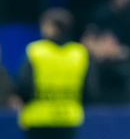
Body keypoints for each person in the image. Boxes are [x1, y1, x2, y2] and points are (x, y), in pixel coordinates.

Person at [16, 8, 96, 139]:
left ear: (53, 27)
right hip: (69, 118)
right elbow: (90, 91)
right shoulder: (80, 53)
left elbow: (24, 86)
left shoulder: (35, 51)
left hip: (38, 119)